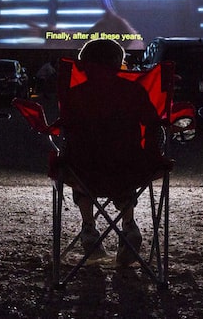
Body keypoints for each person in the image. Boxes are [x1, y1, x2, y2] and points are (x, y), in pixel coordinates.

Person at [58, 39, 167, 266]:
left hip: (85, 172)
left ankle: (89, 228)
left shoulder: (75, 94)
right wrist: (154, 155)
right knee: (121, 168)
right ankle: (129, 225)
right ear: (118, 64)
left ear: (83, 65)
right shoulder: (134, 90)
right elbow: (154, 124)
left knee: (79, 165)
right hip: (129, 170)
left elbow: (66, 130)